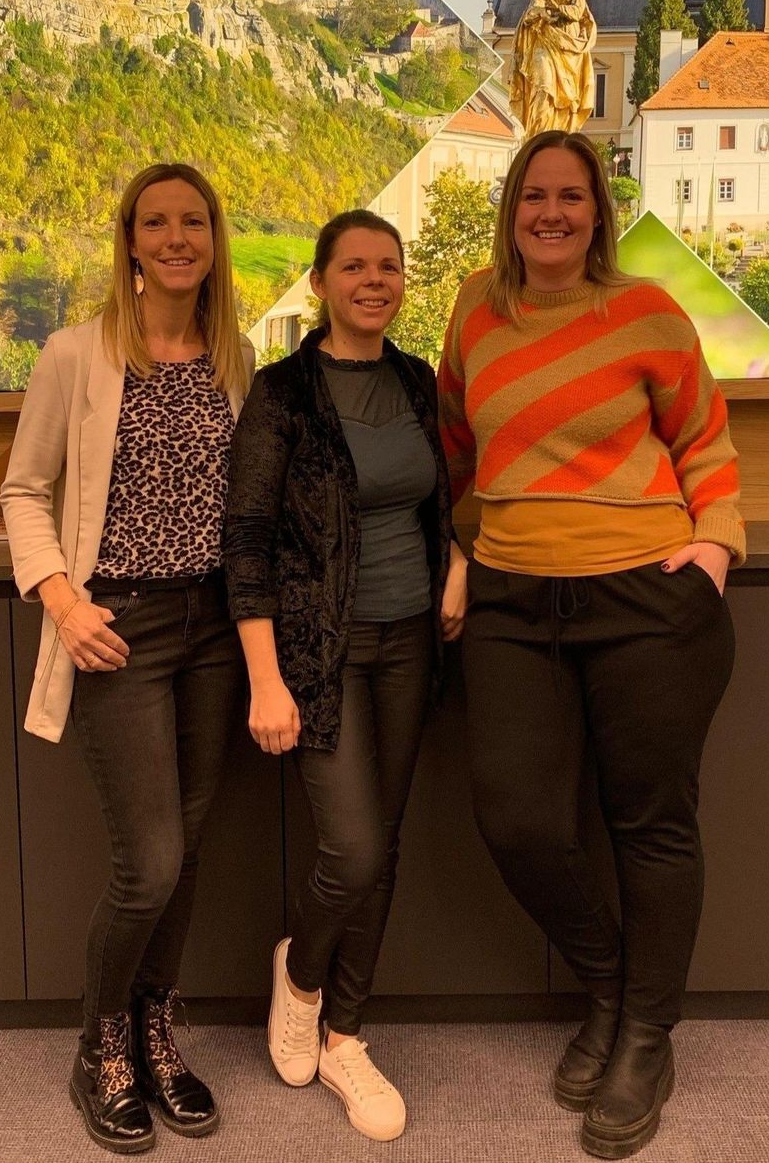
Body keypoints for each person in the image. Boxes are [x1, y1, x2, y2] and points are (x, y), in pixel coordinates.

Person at [437, 131, 742, 1159]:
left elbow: (705, 438)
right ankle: (612, 989)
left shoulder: (648, 311)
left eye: (572, 197)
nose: (553, 214)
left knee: (648, 821)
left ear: (598, 213)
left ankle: (645, 1037)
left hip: (645, 593)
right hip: (514, 600)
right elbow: (453, 443)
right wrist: (450, 551)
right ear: (511, 208)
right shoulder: (475, 307)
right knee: (517, 816)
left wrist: (714, 549)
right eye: (535, 197)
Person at [1, 163, 254, 1155]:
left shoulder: (237, 359)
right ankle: (100, 1041)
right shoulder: (77, 354)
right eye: (158, 222)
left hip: (216, 638)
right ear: (131, 240)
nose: (177, 236)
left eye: (194, 221)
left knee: (185, 855)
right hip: (120, 634)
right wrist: (62, 601)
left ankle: (155, 1030)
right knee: (146, 861)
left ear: (213, 238)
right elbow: (25, 490)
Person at [224, 209, 466, 1143]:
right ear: (321, 281)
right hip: (319, 656)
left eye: (390, 267)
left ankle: (346, 1039)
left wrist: (458, 562)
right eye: (356, 266)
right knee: (354, 849)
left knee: (388, 846)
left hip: (412, 641)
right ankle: (301, 975)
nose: (376, 280)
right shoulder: (284, 394)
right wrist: (264, 677)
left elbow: (442, 495)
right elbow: (244, 541)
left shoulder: (415, 381)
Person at [510, 0, 597, 136]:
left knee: (567, 101)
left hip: (568, 47)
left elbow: (576, 13)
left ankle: (559, 133)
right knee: (543, 86)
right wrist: (541, 8)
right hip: (545, 43)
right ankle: (536, 136)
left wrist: (555, 8)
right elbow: (530, 15)